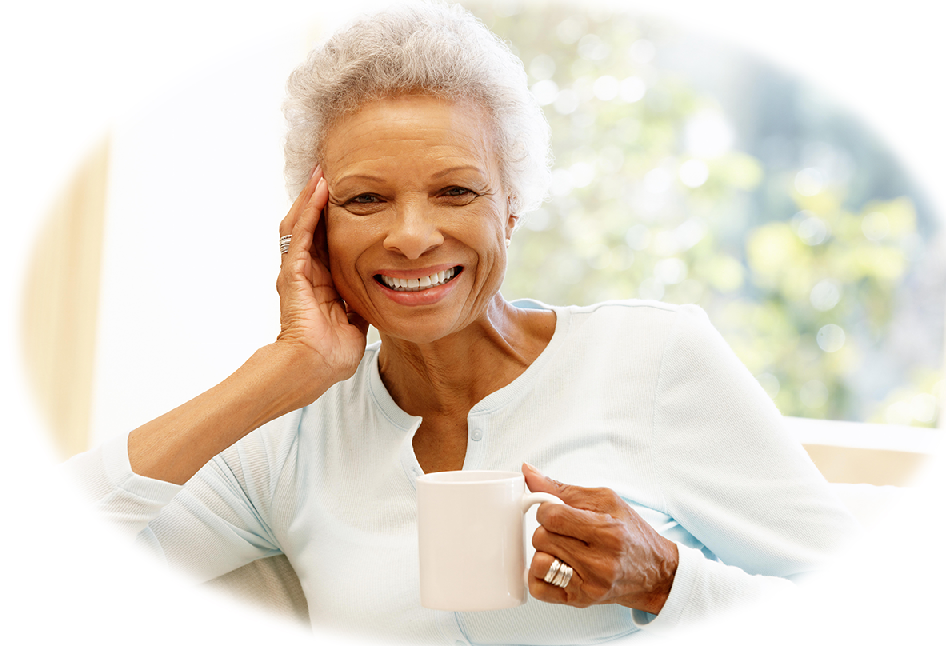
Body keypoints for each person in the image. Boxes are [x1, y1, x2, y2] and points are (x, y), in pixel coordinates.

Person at [63, 2, 858, 643]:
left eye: (456, 192)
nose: (411, 234)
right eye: (366, 198)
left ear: (512, 207)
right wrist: (283, 367)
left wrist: (666, 581)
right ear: (313, 227)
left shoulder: (653, 356)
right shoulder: (292, 434)